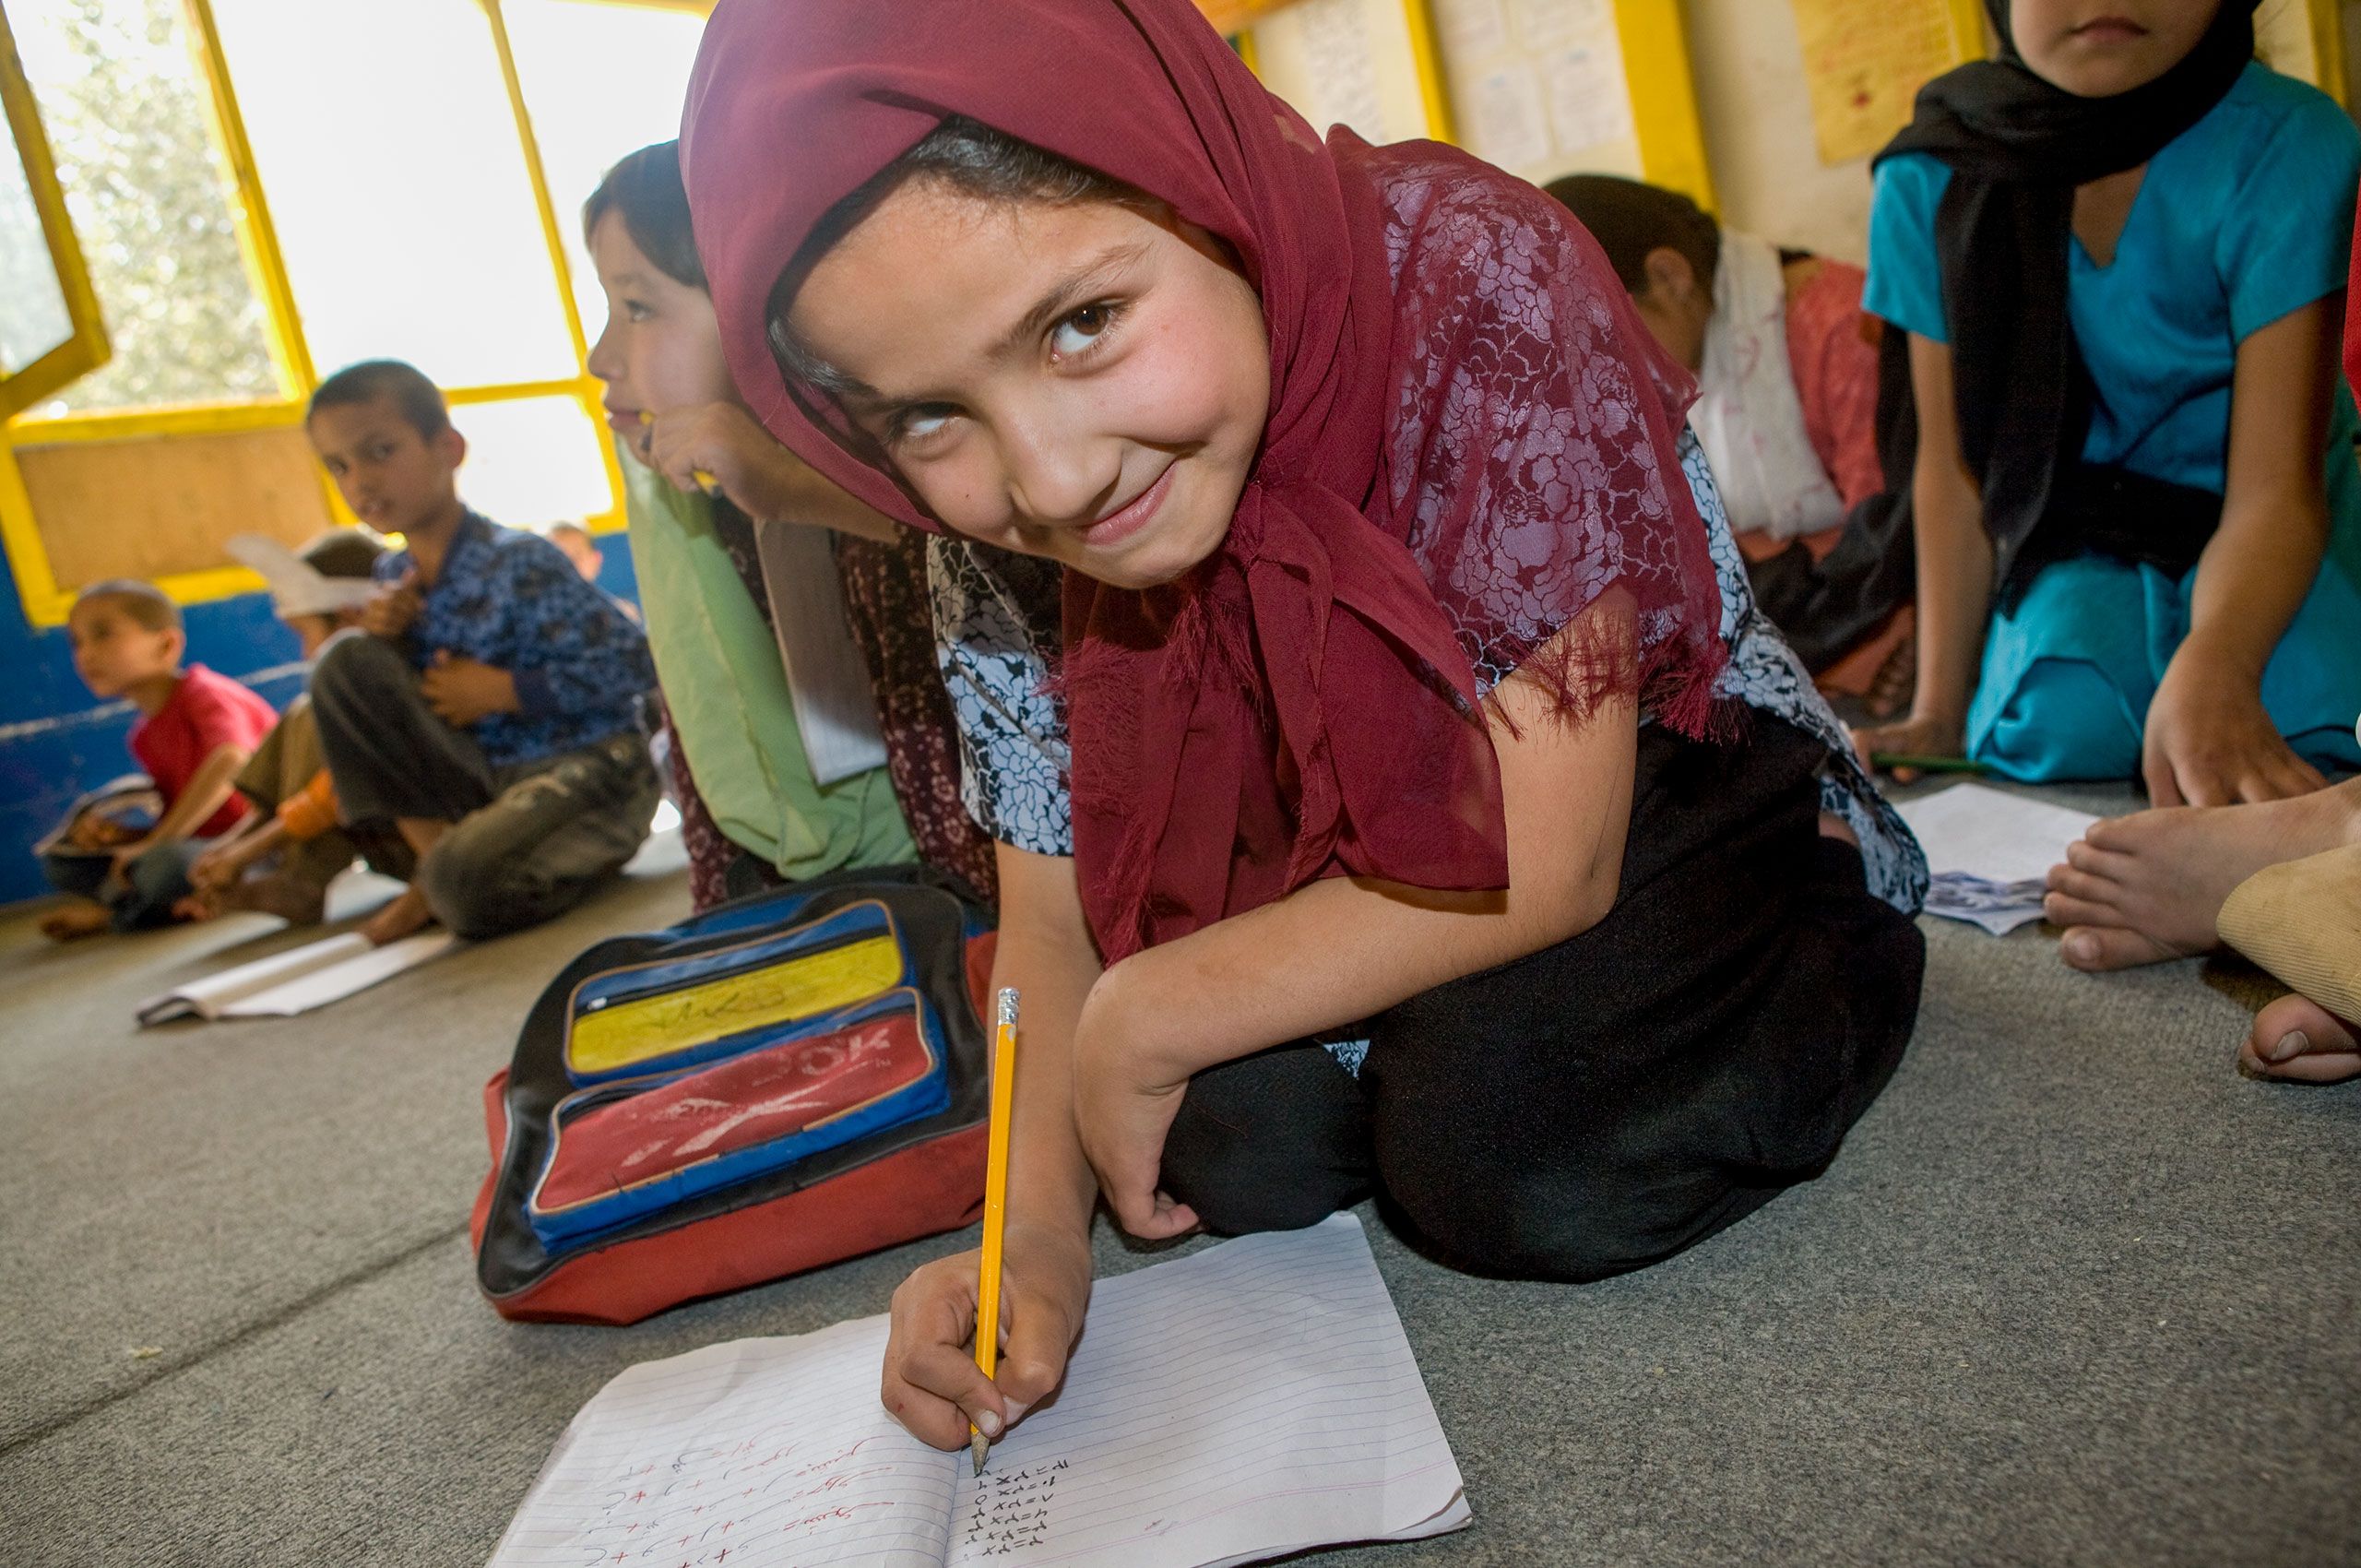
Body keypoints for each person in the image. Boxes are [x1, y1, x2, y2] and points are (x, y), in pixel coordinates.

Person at [680, 0, 1928, 1459]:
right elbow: (1049, 918)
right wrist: (1032, 1243)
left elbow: (1557, 855)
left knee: (1517, 1160)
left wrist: (1154, 1010)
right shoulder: (1003, 522)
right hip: (1335, 838)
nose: (1052, 480)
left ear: (1198, 181)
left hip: (1632, 771)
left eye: (1083, 325)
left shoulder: (1474, 273)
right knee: (1228, 1149)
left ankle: (1821, 911)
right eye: (926, 418)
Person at [1850, 0, 2361, 801]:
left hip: (2278, 523)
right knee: (2056, 720)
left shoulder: (2291, 139)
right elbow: (1954, 472)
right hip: (2084, 536)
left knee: (2307, 712)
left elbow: (2278, 491)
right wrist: (1938, 711)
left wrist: (2218, 662)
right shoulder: (1932, 174)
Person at [583, 141, 1007, 909]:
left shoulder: (892, 442)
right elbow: (715, 729)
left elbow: (998, 570)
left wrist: (790, 488)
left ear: (752, 308)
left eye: (638, 308)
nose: (599, 357)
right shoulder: (690, 494)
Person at [302, 360, 661, 944]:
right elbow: (391, 714)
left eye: (381, 451)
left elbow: (636, 662)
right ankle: (433, 869)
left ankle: (447, 878)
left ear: (449, 448)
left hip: (584, 767)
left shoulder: (519, 559)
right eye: (339, 466)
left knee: (465, 884)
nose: (360, 481)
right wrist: (389, 642)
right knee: (347, 662)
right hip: (484, 781)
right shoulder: (393, 581)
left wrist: (507, 691)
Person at [1546, 173, 1914, 703]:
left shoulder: (1842, 328)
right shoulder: (1690, 361)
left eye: (1604, 342)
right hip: (1806, 616)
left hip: (1883, 613)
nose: (1606, 373)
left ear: (1669, 276)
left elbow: (1895, 541)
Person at [184, 529, 414, 926]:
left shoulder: (401, 677)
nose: (306, 651)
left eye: (305, 633)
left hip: (428, 846)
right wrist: (228, 847)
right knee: (302, 710)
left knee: (314, 712)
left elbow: (334, 790)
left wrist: (248, 851)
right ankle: (283, 872)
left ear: (351, 617)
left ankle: (299, 881)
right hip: (390, 847)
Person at [38, 581, 277, 940]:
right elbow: (185, 816)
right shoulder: (143, 735)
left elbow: (232, 759)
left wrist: (157, 842)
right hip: (203, 844)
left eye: (102, 634)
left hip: (259, 844)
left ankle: (115, 913)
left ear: (166, 645)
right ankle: (143, 901)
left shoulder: (206, 693)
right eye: (76, 642)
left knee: (164, 866)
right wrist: (129, 837)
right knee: (63, 862)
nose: (86, 654)